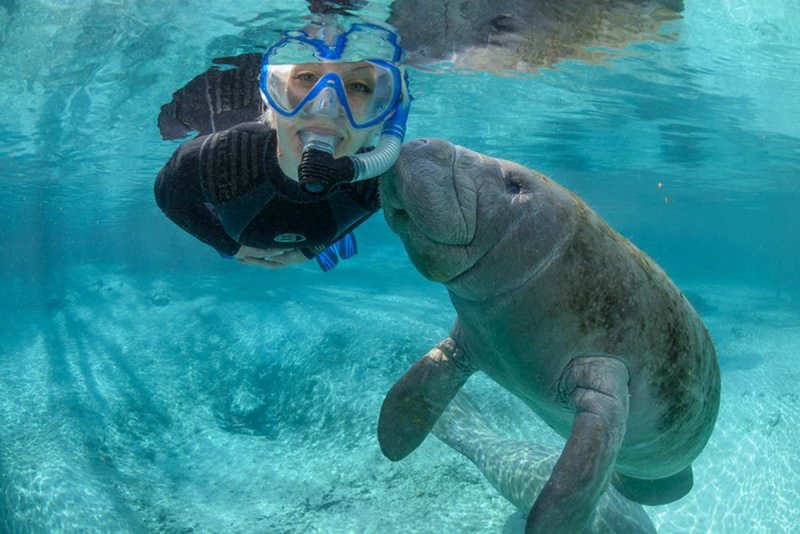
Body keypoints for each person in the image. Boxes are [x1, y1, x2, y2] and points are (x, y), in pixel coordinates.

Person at [154, 19, 411, 271]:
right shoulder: (223, 156)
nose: (326, 108)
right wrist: (226, 244)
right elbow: (168, 195)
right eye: (306, 76)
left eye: (358, 86)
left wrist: (314, 248)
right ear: (273, 94)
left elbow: (369, 205)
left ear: (384, 113)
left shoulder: (379, 178)